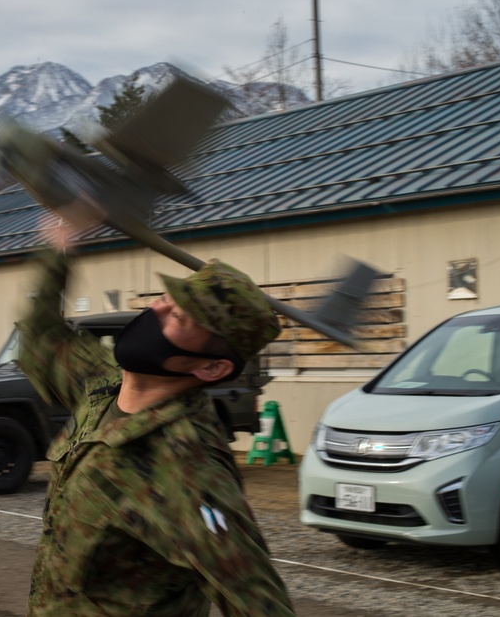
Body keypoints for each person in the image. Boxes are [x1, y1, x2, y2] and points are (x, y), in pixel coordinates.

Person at [19, 241, 296, 616]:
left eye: (178, 318)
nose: (155, 309)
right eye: (165, 298)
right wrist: (60, 246)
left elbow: (260, 603)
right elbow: (42, 342)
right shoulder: (103, 385)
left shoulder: (189, 470)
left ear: (212, 368)